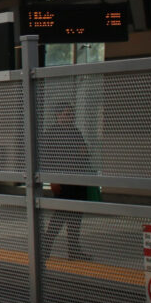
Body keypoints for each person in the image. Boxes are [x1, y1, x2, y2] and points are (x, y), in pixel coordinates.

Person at [40, 104, 91, 261]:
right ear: (58, 115)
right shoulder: (51, 134)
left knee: (76, 216)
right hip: (63, 181)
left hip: (78, 179)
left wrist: (84, 153)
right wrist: (52, 180)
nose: (71, 117)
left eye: (72, 114)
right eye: (67, 114)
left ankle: (74, 250)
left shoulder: (75, 132)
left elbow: (84, 152)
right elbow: (47, 158)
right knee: (60, 216)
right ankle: (46, 248)